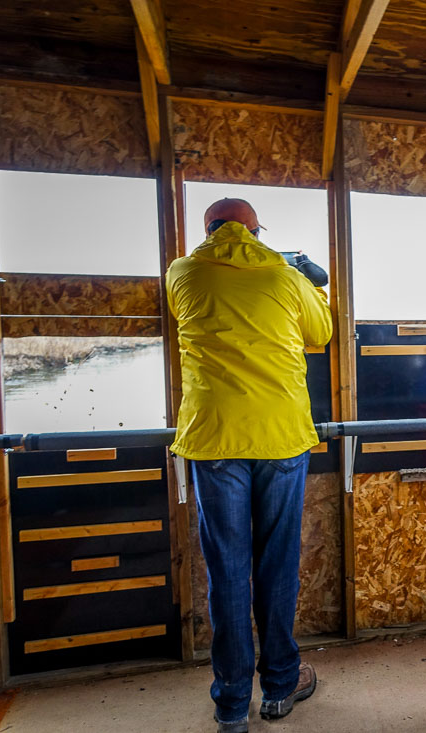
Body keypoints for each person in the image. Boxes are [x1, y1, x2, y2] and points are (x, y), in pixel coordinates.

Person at [166, 198, 333, 733]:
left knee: (228, 571)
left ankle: (231, 706)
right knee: (277, 562)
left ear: (208, 230)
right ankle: (280, 687)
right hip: (280, 436)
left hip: (214, 439)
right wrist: (304, 277)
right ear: (257, 231)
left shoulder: (184, 272)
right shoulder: (284, 276)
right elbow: (320, 333)